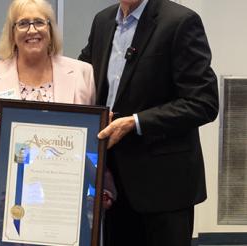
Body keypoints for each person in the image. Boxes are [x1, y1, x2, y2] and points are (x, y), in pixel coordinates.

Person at [0, 0, 116, 245]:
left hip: (62, 202)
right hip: (1, 202)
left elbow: (92, 140)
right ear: (12, 33)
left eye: (39, 22)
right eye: (23, 24)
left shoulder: (83, 73)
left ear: (50, 31)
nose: (32, 30)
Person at [79, 0, 219, 245]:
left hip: (164, 186)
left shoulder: (180, 22)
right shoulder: (103, 21)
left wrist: (135, 122)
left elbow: (203, 102)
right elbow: (81, 78)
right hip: (112, 184)